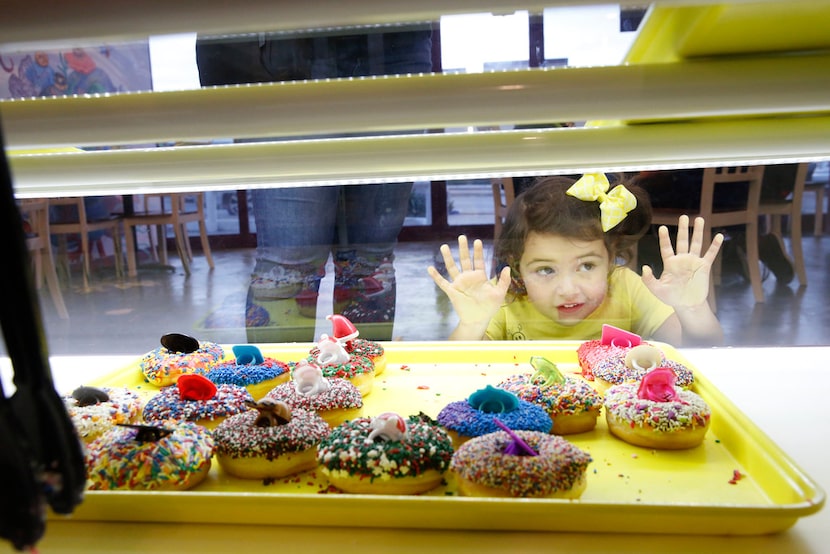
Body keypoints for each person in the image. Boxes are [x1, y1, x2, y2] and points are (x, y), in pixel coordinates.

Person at [196, 27, 433, 341]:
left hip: (390, 54)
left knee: (362, 264)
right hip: (295, 58)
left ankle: (344, 380)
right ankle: (280, 384)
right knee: (297, 264)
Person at [427, 174, 724, 346]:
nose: (568, 289)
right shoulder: (500, 297)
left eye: (586, 266)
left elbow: (701, 351)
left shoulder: (627, 287)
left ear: (611, 259)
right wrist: (472, 324)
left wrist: (692, 309)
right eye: (545, 269)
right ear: (517, 268)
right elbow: (463, 368)